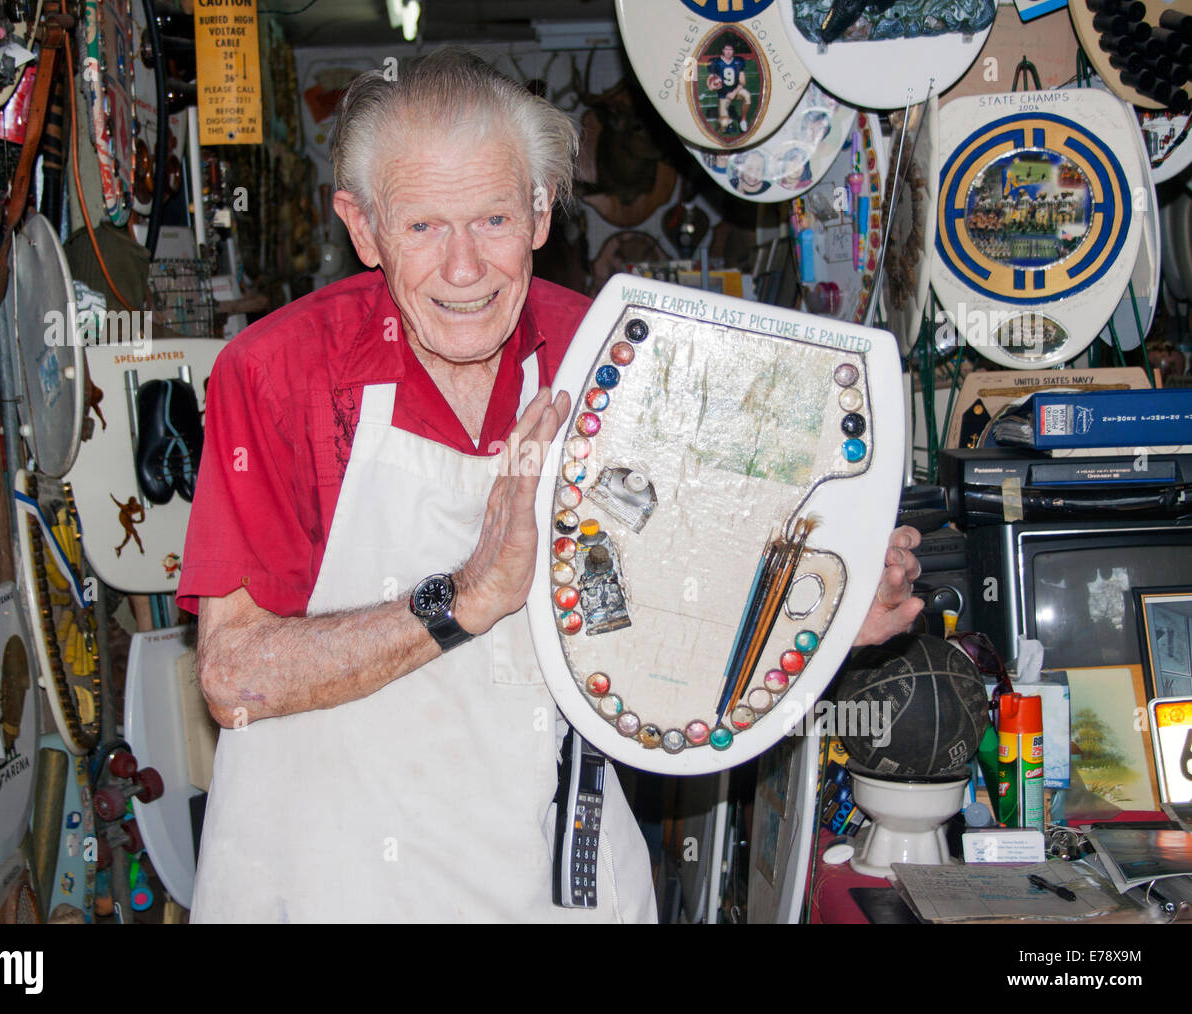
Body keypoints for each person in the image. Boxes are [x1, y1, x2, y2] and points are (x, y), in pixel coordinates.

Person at [177, 48, 923, 923]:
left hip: (550, 874)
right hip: (326, 881)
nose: (464, 270)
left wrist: (818, 611)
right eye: (422, 227)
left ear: (540, 211)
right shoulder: (278, 377)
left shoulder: (615, 358)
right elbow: (234, 679)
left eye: (493, 218)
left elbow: (669, 591)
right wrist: (460, 598)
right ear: (362, 225)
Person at [707, 42, 753, 135]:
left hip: (736, 91)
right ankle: (728, 120)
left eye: (730, 49)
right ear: (723, 50)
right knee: (724, 124)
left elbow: (742, 81)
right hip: (723, 95)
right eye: (726, 49)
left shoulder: (738, 61)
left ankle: (743, 120)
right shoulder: (716, 62)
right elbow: (709, 82)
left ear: (733, 51)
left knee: (747, 95)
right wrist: (711, 86)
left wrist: (734, 92)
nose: (728, 52)